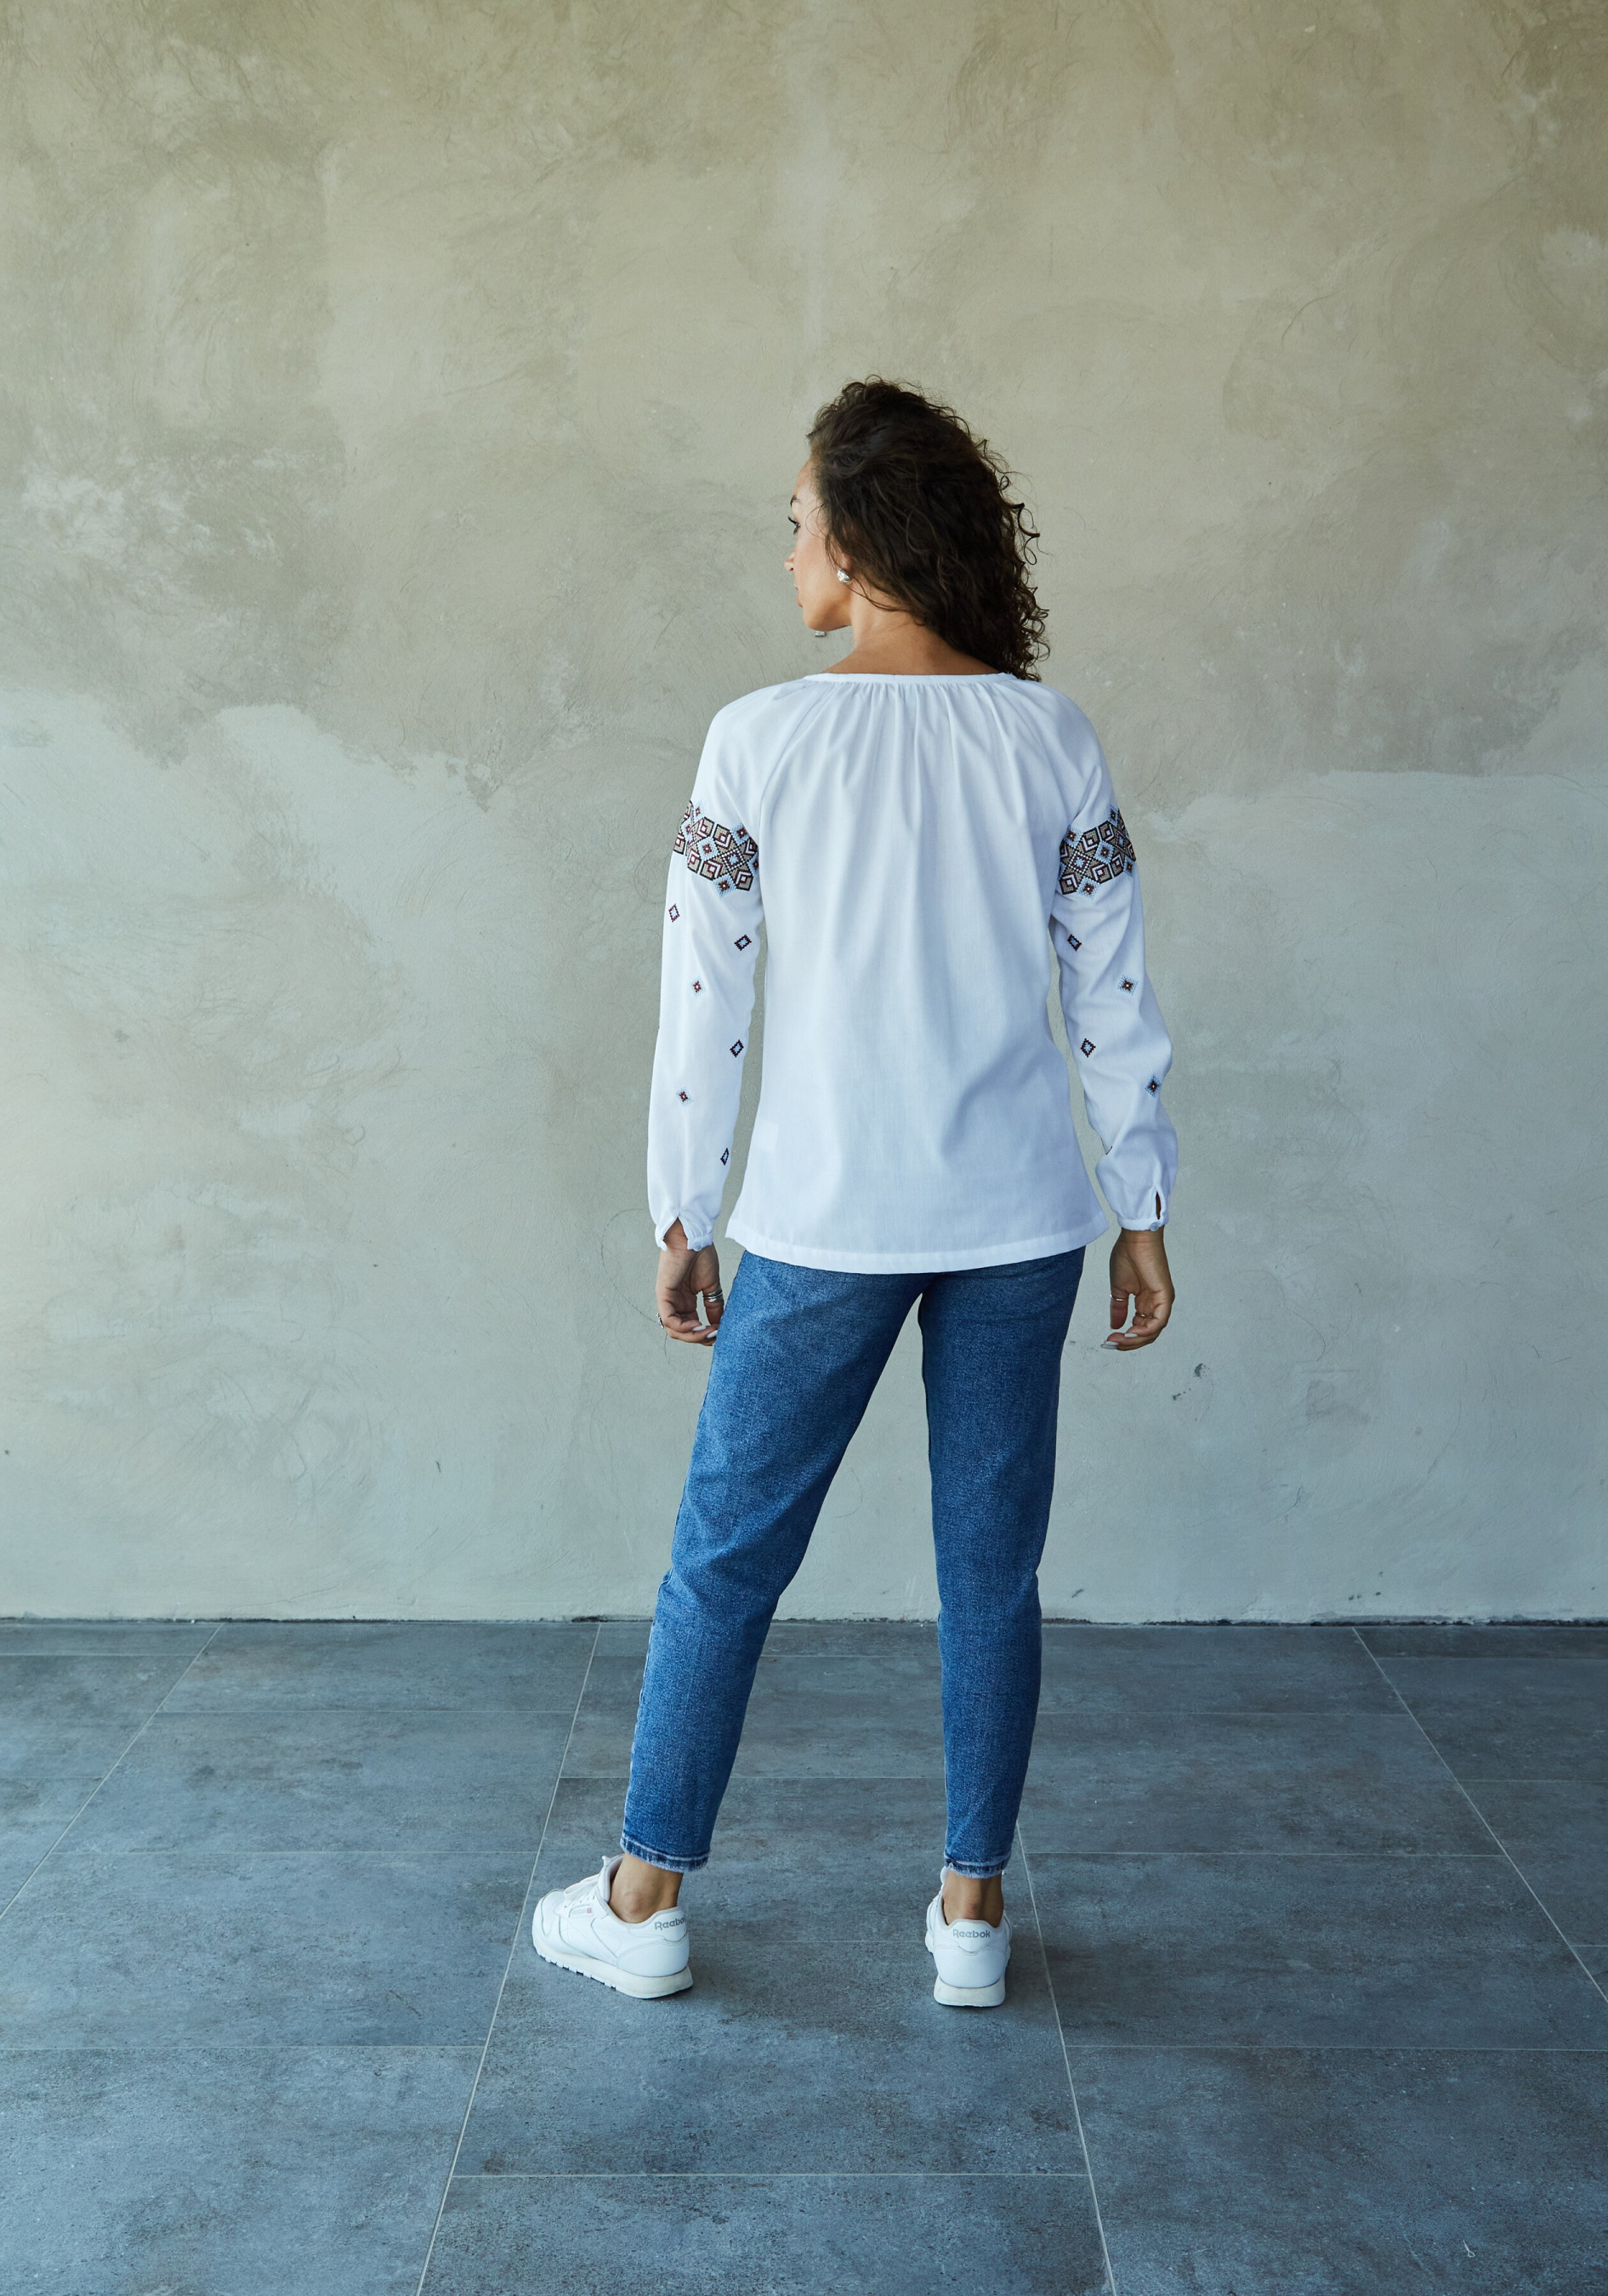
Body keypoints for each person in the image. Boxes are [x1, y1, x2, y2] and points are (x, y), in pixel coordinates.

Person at [533, 378, 1177, 2008]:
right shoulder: (1047, 736)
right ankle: (971, 1914)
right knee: (990, 1572)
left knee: (724, 1559)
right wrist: (1143, 1204)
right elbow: (1109, 996)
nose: (788, 554)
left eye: (797, 523)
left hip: (821, 1218)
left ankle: (642, 1900)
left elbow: (705, 1002)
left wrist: (681, 1211)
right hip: (1022, 1218)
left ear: (858, 539)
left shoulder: (760, 739)